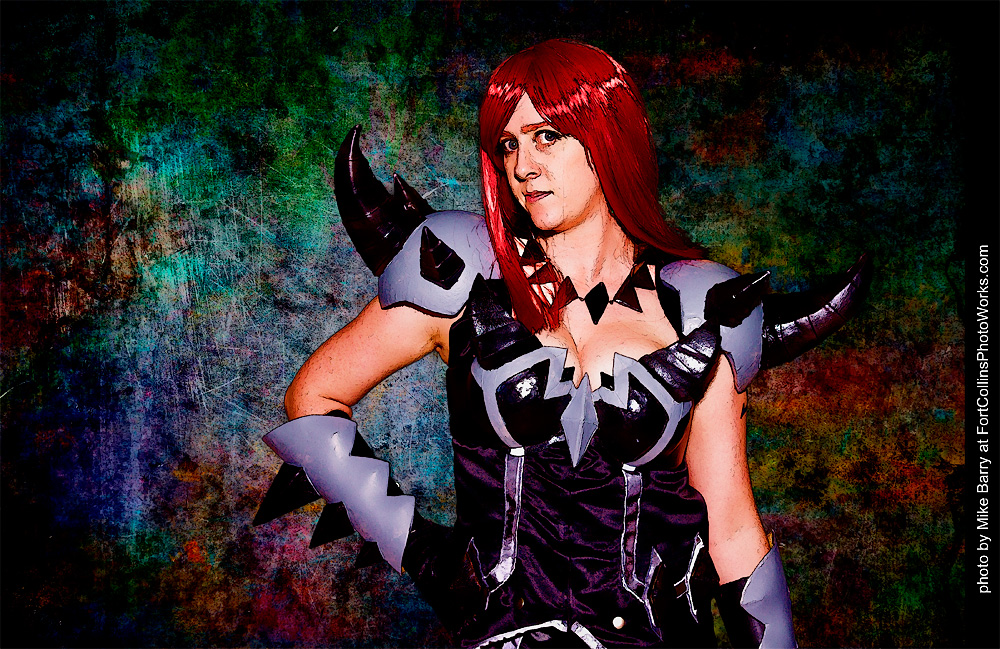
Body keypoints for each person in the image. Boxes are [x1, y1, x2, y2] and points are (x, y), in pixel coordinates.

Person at [255, 39, 870, 648]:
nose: (524, 165)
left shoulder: (698, 308)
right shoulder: (462, 274)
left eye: (547, 136)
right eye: (508, 144)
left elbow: (731, 527)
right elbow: (315, 398)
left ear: (608, 139)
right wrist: (426, 556)